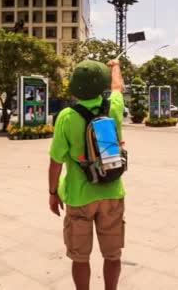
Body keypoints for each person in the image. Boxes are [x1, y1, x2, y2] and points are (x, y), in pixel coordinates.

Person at [48, 59, 125, 290]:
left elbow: (55, 163)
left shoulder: (66, 116)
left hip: (79, 196)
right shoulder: (114, 106)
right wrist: (115, 66)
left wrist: (53, 193)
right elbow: (118, 87)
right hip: (112, 191)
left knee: (80, 257)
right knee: (113, 255)